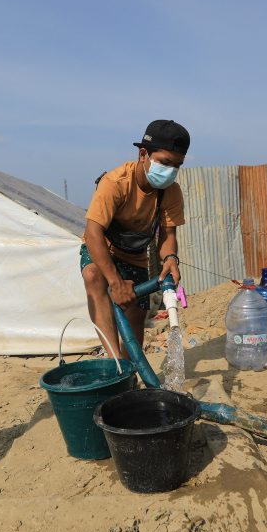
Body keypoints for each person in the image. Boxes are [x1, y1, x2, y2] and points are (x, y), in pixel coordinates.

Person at [81, 120, 189, 359]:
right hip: (104, 248)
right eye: (165, 162)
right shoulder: (115, 183)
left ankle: (131, 368)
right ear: (143, 154)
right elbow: (93, 233)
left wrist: (171, 258)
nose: (171, 171)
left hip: (135, 254)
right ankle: (115, 363)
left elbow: (168, 236)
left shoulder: (171, 192)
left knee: (135, 320)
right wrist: (115, 282)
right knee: (93, 275)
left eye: (177, 165)